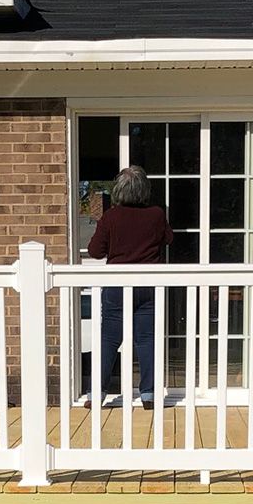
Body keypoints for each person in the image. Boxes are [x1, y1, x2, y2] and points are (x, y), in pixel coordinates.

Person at [81, 165, 171, 407]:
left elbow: (94, 251)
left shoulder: (111, 216)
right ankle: (149, 394)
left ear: (119, 190)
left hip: (117, 285)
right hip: (149, 284)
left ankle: (96, 394)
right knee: (147, 339)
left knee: (109, 339)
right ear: (144, 190)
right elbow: (168, 239)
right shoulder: (156, 214)